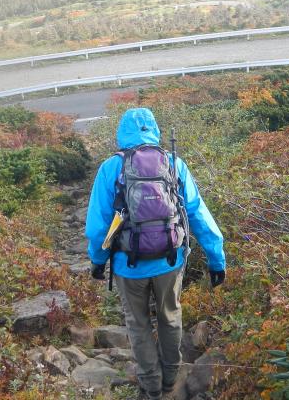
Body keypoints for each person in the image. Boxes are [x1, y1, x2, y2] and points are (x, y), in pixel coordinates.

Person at [85, 108, 226, 399]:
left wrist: (98, 262)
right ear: (155, 131)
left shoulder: (111, 168)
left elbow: (98, 227)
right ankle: (171, 378)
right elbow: (198, 213)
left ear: (122, 133)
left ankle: (150, 386)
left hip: (127, 265)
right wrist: (216, 258)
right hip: (169, 260)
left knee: (137, 325)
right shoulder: (173, 164)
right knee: (169, 316)